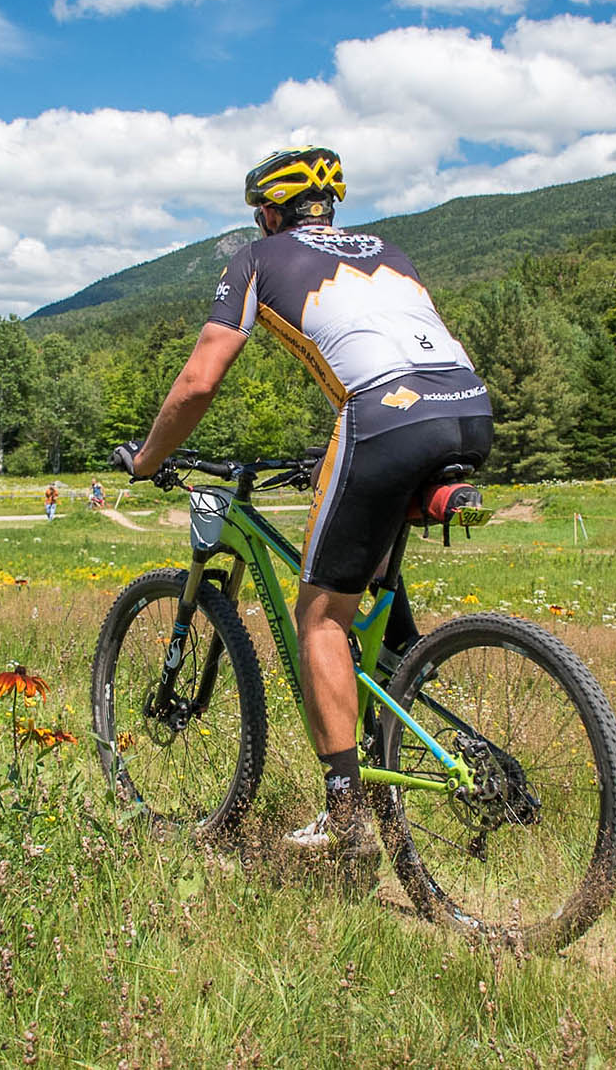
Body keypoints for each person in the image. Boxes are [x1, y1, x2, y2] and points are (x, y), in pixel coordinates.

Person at [112, 146, 493, 856]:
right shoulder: (389, 247)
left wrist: (148, 456)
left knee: (318, 616)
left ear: (266, 212)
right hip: (469, 406)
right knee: (366, 572)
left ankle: (346, 817)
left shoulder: (258, 259)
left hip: (384, 414)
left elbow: (198, 381)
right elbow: (388, 347)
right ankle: (403, 674)